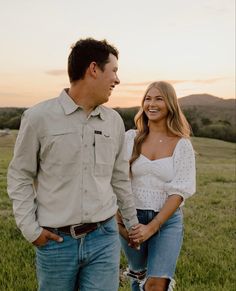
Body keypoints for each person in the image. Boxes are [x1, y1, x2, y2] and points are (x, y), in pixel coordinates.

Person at [7, 38, 139, 291]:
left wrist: (132, 225)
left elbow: (120, 177)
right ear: (93, 69)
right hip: (56, 242)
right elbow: (20, 176)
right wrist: (30, 230)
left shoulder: (113, 121)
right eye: (114, 71)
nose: (117, 80)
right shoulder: (38, 118)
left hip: (104, 237)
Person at [117, 81, 196, 291]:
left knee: (155, 284)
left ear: (170, 104)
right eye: (148, 98)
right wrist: (121, 222)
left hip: (167, 221)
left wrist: (153, 227)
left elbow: (179, 191)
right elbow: (118, 180)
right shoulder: (130, 138)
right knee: (138, 275)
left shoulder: (182, 144)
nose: (151, 104)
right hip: (130, 218)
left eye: (159, 98)